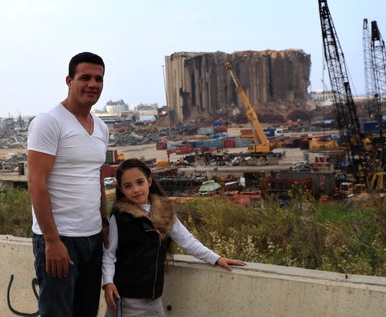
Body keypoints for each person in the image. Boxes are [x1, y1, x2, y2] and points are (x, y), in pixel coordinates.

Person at [102, 158, 246, 317]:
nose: (136, 189)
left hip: (154, 296)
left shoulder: (164, 211)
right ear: (121, 189)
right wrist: (108, 282)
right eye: (128, 186)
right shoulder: (120, 217)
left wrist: (216, 258)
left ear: (149, 181)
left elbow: (188, 241)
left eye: (139, 182)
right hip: (127, 296)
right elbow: (110, 253)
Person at [27, 51, 110, 317]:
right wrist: (51, 240)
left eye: (98, 78)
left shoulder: (101, 128)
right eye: (85, 77)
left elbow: (97, 175)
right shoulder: (49, 122)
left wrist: (104, 221)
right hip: (60, 239)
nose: (92, 84)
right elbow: (36, 181)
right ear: (69, 80)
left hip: (93, 239)